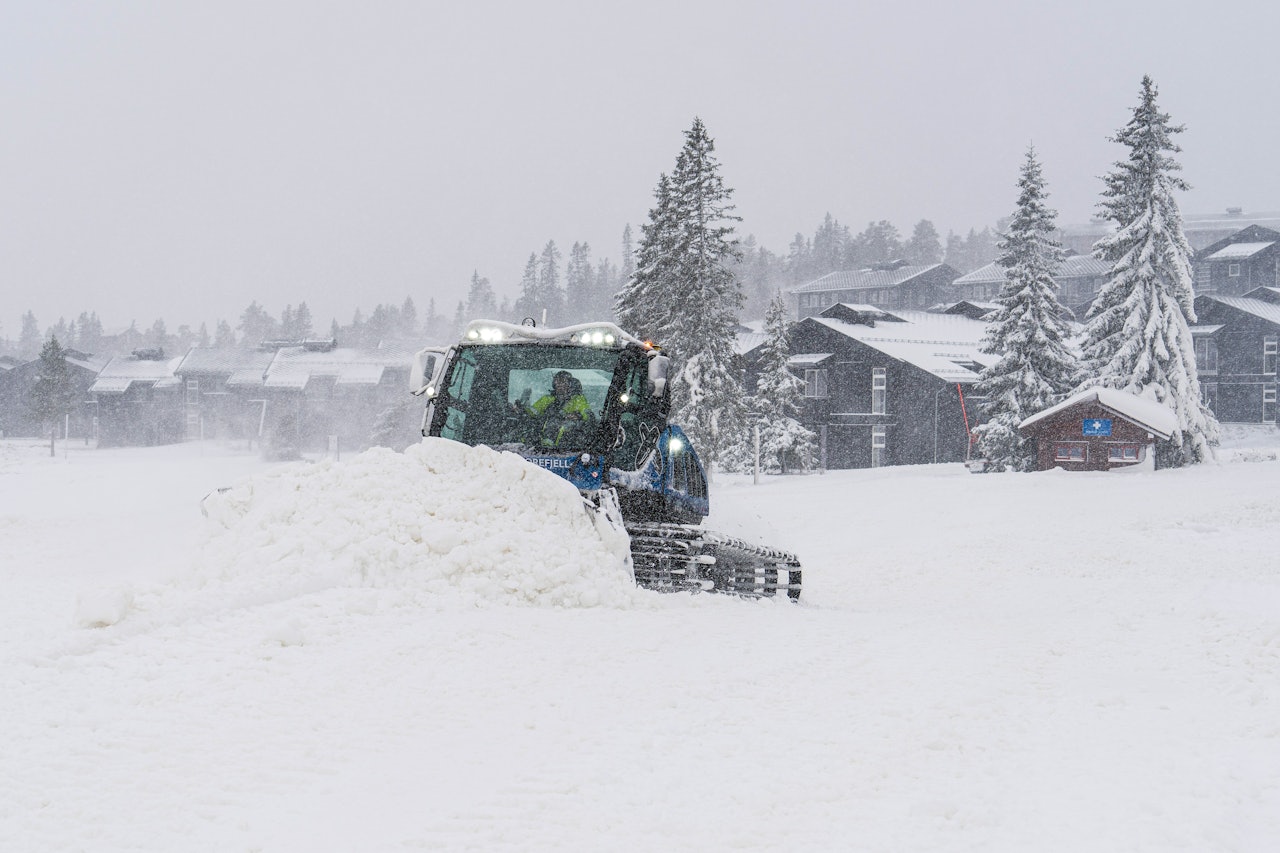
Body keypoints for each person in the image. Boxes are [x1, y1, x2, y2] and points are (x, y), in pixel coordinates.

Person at [524, 370, 594, 447]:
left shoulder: (578, 399)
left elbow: (588, 415)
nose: (559, 385)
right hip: (541, 442)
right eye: (557, 381)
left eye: (563, 382)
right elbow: (532, 412)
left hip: (567, 442)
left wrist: (579, 416)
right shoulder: (547, 399)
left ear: (570, 384)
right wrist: (522, 410)